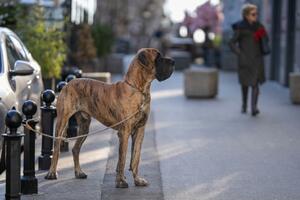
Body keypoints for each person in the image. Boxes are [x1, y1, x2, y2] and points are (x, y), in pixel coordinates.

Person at [229, 3, 269, 116]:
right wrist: (239, 53)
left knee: (255, 83)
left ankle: (254, 108)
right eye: (253, 14)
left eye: (256, 14)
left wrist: (262, 35)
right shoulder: (240, 28)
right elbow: (231, 42)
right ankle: (244, 105)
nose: (255, 16)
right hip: (245, 60)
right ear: (246, 15)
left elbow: (266, 40)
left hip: (257, 60)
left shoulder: (259, 26)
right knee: (245, 84)